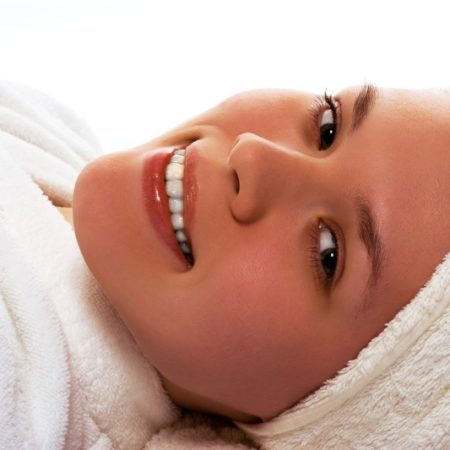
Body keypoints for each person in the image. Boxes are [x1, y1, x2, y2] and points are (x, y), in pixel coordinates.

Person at [2, 81, 449, 448]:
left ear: (324, 413)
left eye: (328, 254)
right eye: (328, 127)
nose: (252, 155)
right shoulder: (48, 130)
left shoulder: (23, 385)